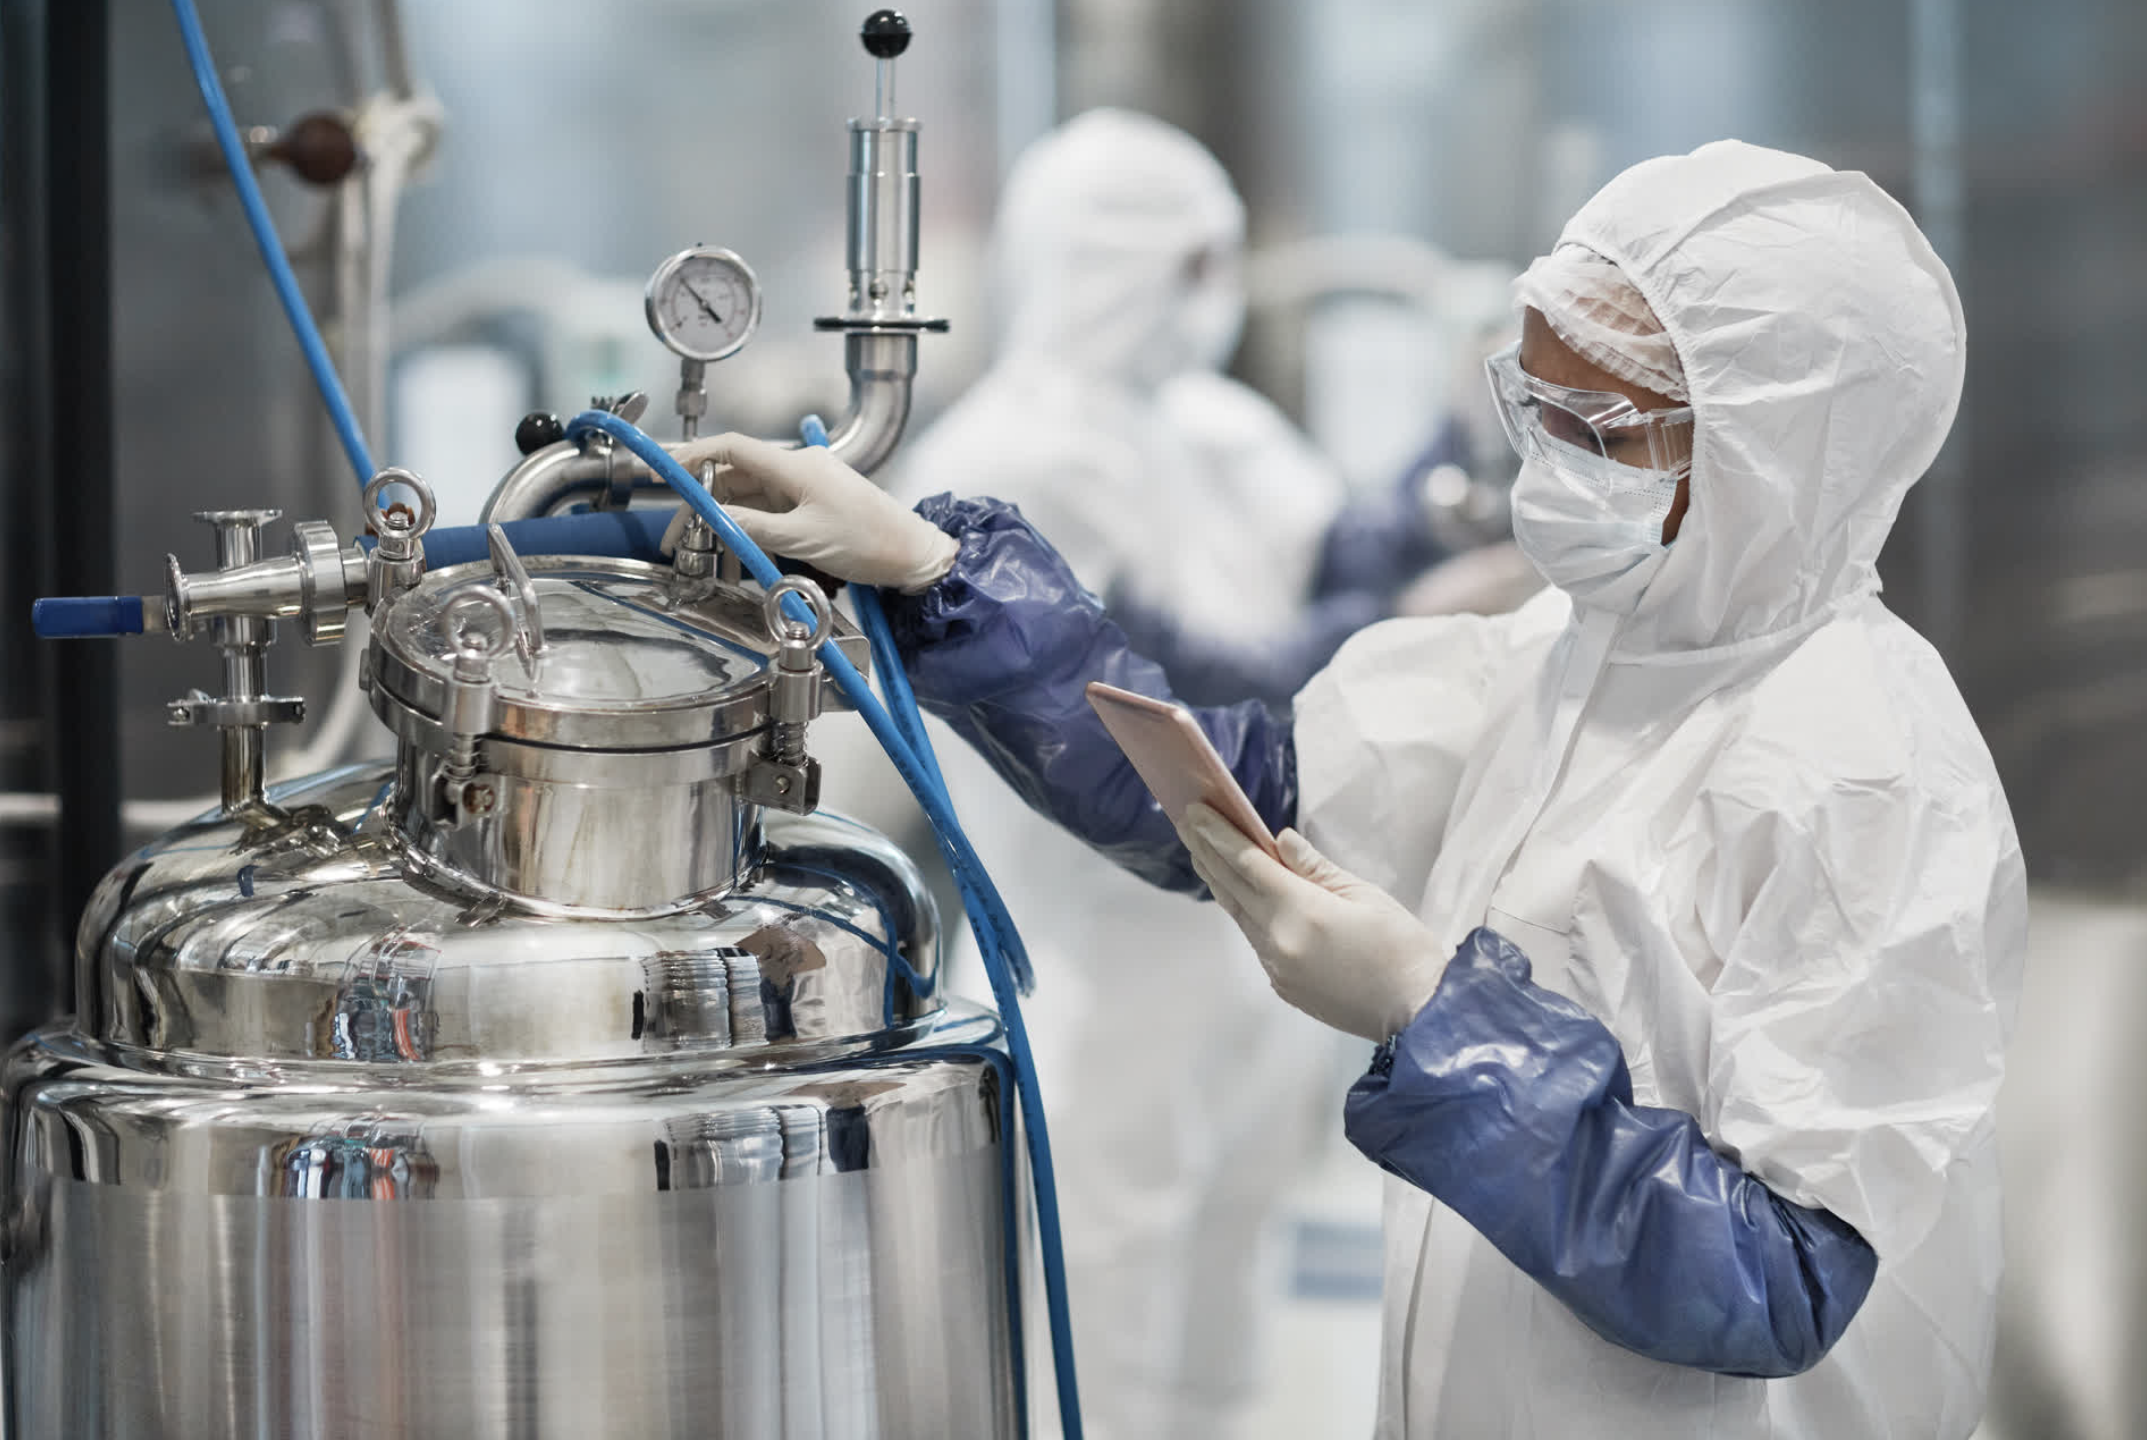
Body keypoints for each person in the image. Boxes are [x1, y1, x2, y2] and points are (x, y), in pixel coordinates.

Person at [685, 139, 2024, 1438]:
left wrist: (1436, 1019)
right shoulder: (1562, 663)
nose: (1546, 464)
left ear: (1778, 453)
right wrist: (932, 570)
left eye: (1596, 427)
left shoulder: (1866, 773)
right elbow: (1234, 790)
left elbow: (1776, 1277)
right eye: (1532, 407)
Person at [881, 108, 1448, 1439]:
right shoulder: (1009, 455)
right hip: (1089, 967)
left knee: (1223, 1326)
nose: (1217, 300)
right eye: (1194, 264)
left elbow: (1338, 575)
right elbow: (1145, 697)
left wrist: (1442, 493)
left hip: (1241, 965)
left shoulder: (1207, 425)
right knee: (1101, 1332)